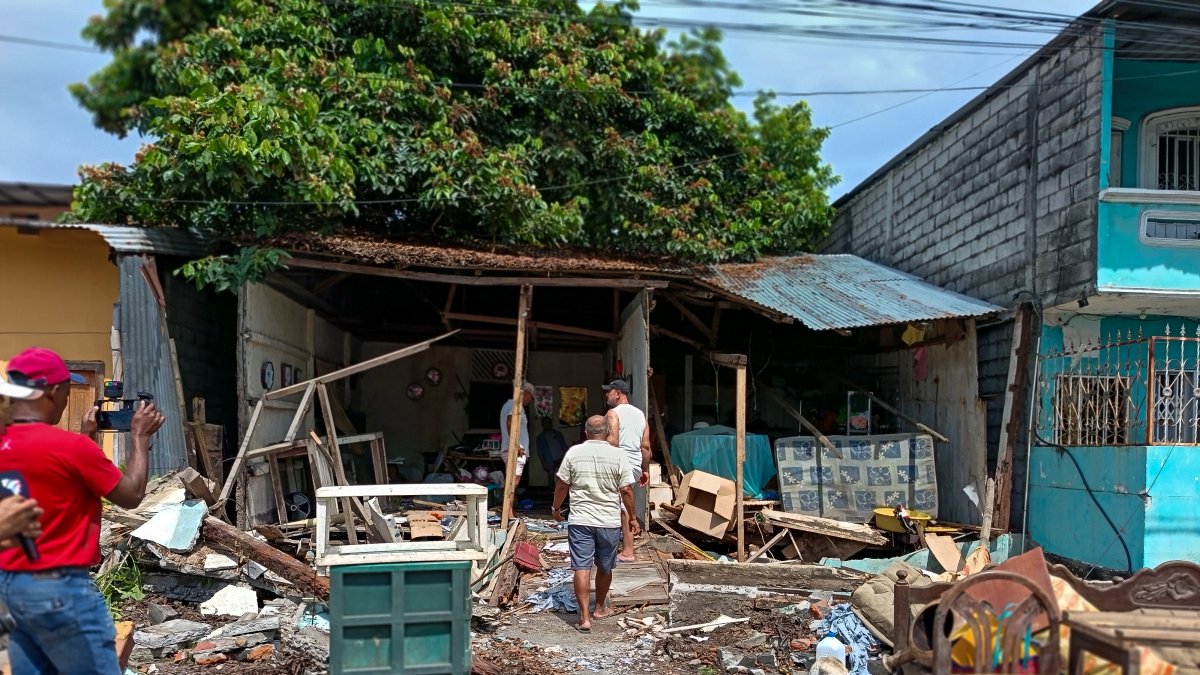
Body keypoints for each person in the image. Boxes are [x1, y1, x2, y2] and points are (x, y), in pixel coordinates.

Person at [0, 347, 165, 675]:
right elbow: (131, 495)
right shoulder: (71, 449)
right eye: (66, 390)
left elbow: (53, 485)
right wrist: (139, 437)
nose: (65, 400)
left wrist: (87, 439)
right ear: (51, 391)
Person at [551, 415, 632, 632]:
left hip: (581, 521)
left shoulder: (574, 453)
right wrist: (632, 518)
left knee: (581, 566)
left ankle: (584, 618)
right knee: (605, 567)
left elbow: (562, 485)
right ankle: (599, 608)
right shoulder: (618, 455)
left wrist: (556, 508)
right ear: (607, 432)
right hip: (609, 521)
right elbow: (626, 490)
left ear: (585, 433)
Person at [602, 378, 650, 563]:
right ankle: (625, 548)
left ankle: (626, 550)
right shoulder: (641, 415)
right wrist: (644, 469)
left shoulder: (612, 413)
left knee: (616, 506)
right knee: (624, 504)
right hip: (635, 465)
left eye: (609, 391)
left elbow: (612, 441)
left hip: (617, 463)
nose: (607, 395)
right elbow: (645, 446)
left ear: (618, 393)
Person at [499, 381, 535, 521]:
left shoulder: (511, 404)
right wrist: (516, 446)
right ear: (525, 393)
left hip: (514, 450)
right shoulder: (515, 404)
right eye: (530, 396)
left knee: (513, 482)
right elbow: (510, 423)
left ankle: (509, 511)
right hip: (514, 450)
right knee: (513, 482)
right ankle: (507, 513)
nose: (530, 400)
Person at [535, 416, 568, 481]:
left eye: (549, 422)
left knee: (562, 478)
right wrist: (543, 464)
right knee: (551, 479)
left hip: (561, 459)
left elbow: (564, 446)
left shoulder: (558, 434)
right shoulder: (540, 437)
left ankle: (561, 491)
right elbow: (540, 452)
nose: (547, 424)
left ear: (551, 423)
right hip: (549, 461)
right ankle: (551, 490)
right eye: (545, 423)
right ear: (543, 425)